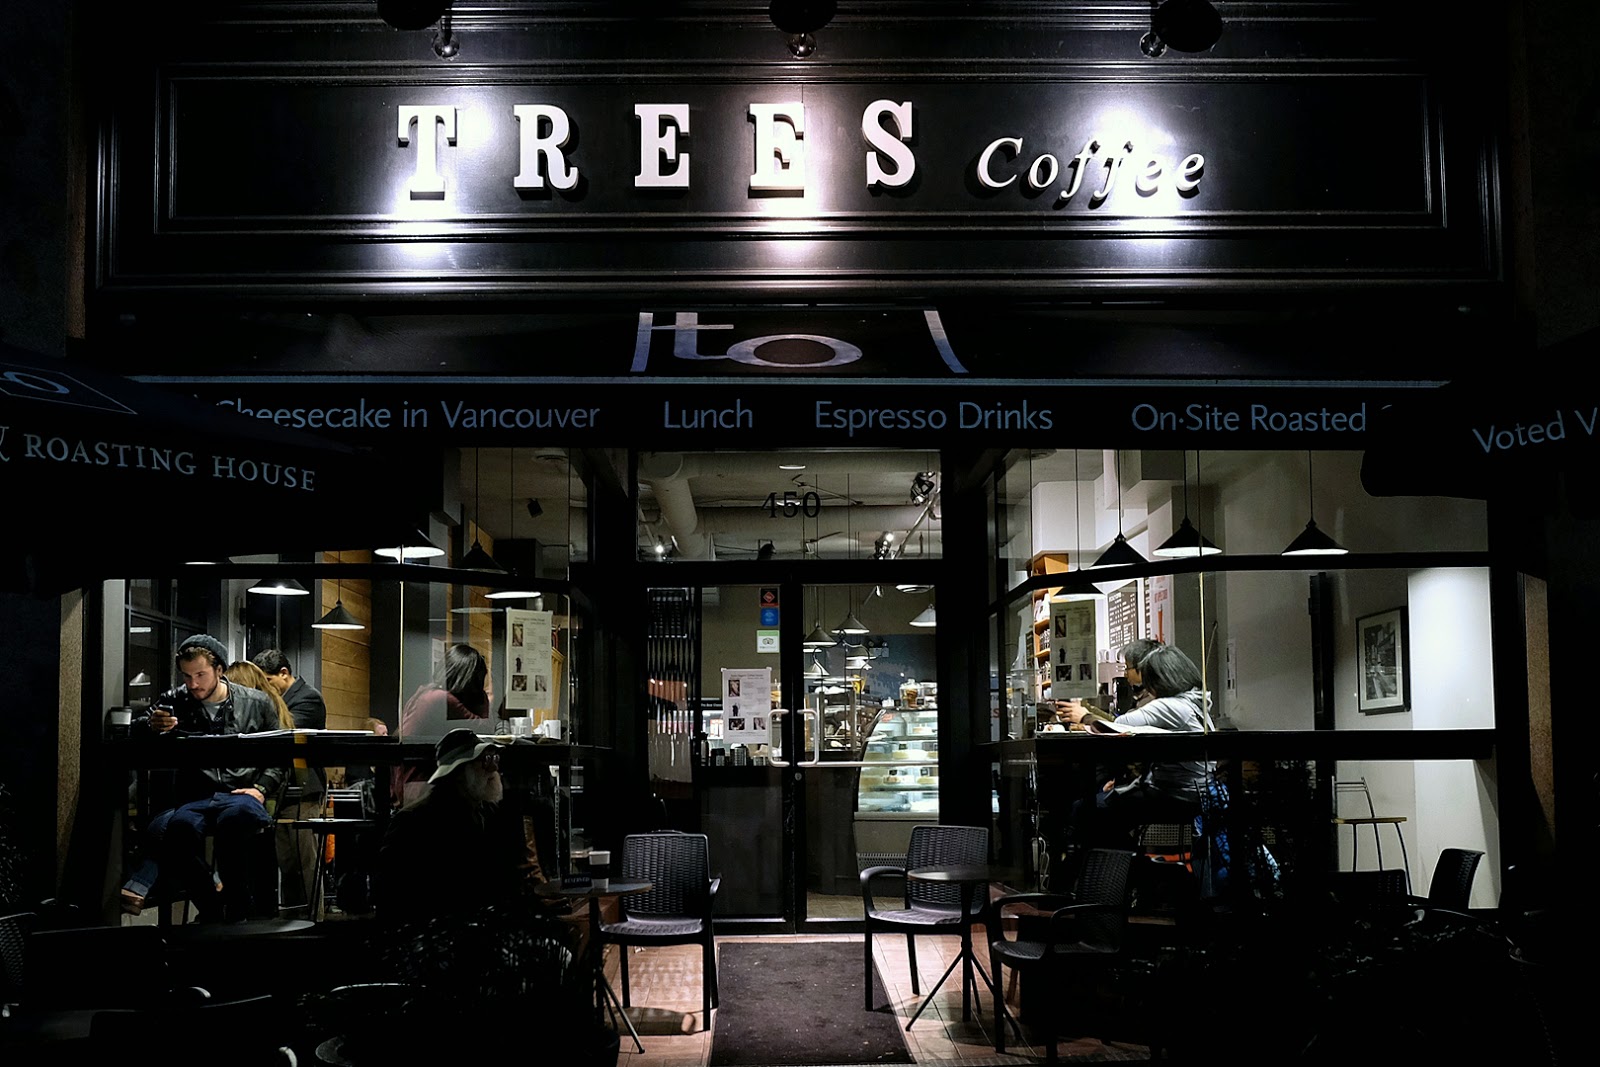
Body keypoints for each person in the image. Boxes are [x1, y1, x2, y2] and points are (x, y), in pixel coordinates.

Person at [121, 635, 287, 921]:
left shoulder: (256, 702)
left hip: (241, 791)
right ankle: (212, 907)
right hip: (197, 794)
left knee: (234, 821)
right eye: (187, 676)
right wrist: (151, 724)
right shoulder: (176, 700)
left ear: (219, 670)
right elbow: (137, 728)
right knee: (178, 829)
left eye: (200, 675)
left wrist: (261, 788)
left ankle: (235, 903)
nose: (193, 684)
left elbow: (279, 755)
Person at [376, 728, 546, 923]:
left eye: (495, 759)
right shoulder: (415, 821)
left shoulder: (488, 812)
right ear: (459, 771)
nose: (493, 769)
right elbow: (393, 894)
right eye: (485, 761)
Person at [1058, 644, 1216, 850]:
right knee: (1100, 808)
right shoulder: (1196, 702)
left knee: (1085, 810)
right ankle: (1126, 863)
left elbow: (1121, 723)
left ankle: (1117, 866)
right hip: (1193, 792)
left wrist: (1086, 716)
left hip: (1174, 795)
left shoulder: (1171, 706)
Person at [251, 649, 328, 910]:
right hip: (283, 790)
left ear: (284, 673)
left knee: (306, 862)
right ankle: (292, 919)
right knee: (287, 863)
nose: (264, 689)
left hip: (303, 789)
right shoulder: (283, 699)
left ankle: (314, 920)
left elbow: (286, 734)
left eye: (268, 681)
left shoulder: (308, 698)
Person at [392, 644, 492, 806]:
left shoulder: (426, 693)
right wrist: (483, 699)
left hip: (412, 783)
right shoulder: (440, 699)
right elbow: (485, 729)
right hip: (423, 786)